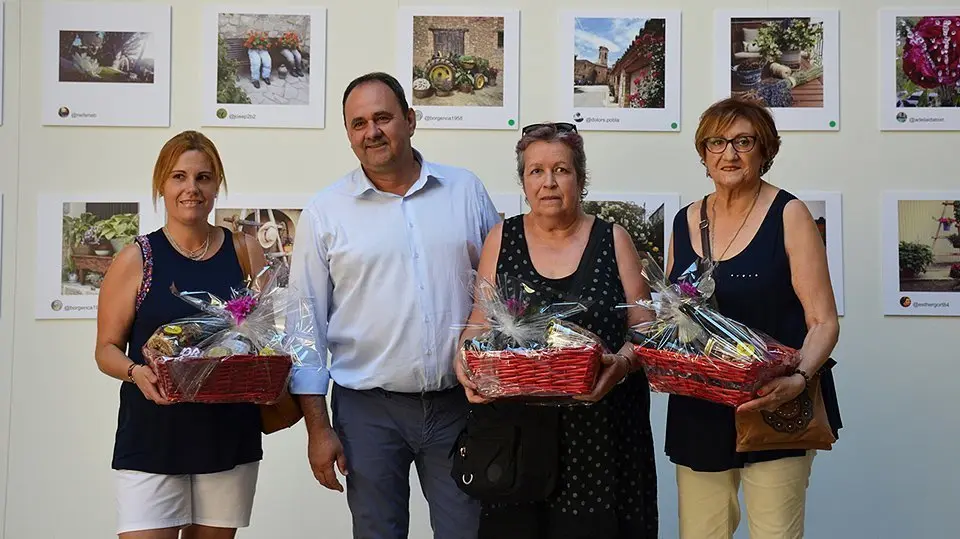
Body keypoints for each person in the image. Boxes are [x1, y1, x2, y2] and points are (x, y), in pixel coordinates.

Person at [288, 71, 501, 539]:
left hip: (458, 406)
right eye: (358, 123)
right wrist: (317, 430)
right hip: (367, 412)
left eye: (383, 117)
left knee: (470, 531)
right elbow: (304, 327)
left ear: (410, 119)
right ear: (348, 133)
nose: (372, 132)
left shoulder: (465, 191)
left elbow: (500, 295)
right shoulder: (325, 212)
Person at [454, 122, 659, 539]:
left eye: (561, 170)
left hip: (604, 437)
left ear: (580, 180)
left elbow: (646, 327)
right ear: (524, 181)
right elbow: (480, 321)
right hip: (517, 439)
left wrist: (619, 364)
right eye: (536, 171)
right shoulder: (502, 237)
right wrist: (464, 361)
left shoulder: (613, 239)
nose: (549, 182)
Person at [664, 97, 842, 539]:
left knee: (775, 533)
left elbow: (823, 321)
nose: (729, 153)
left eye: (744, 141)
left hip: (776, 400)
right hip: (700, 406)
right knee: (701, 533)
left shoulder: (790, 214)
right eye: (717, 142)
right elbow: (671, 316)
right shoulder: (684, 220)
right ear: (703, 153)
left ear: (765, 150)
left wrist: (799, 376)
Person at [95, 130, 267, 538]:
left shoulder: (245, 251)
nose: (192, 188)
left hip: (226, 434)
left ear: (216, 185)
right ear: (162, 185)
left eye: (204, 178)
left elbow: (265, 338)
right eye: (179, 177)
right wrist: (137, 372)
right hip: (153, 433)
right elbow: (105, 350)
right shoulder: (137, 258)